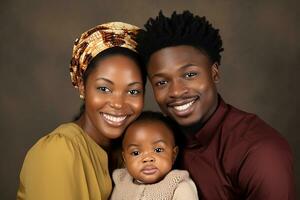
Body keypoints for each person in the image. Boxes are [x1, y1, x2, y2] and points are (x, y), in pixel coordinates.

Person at [135, 11, 295, 199]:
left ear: (214, 73)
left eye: (189, 75)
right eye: (162, 82)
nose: (176, 91)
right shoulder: (153, 142)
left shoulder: (261, 152)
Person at [17, 22, 146, 200]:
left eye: (133, 91)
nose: (118, 104)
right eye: (104, 88)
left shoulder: (137, 153)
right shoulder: (58, 151)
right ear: (82, 87)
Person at [110, 111, 198, 200]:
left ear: (173, 154)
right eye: (136, 153)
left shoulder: (178, 185)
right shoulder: (122, 182)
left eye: (158, 150)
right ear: (125, 159)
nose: (148, 159)